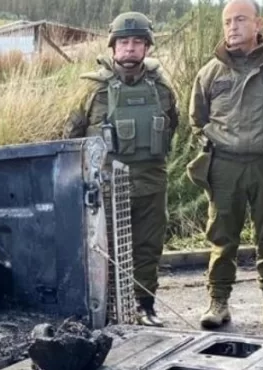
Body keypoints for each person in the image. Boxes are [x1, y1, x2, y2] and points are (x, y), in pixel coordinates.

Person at [63, 11, 181, 327]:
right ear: (113, 46)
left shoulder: (162, 89)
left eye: (137, 42)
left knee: (148, 248)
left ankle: (145, 306)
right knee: (104, 251)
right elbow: (70, 140)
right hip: (105, 187)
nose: (130, 48)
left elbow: (172, 128)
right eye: (124, 42)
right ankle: (107, 311)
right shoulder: (91, 90)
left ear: (147, 48)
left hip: (151, 184)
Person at [188, 0, 263, 332]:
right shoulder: (210, 72)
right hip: (225, 167)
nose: (232, 27)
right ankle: (218, 302)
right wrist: (214, 147)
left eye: (240, 19)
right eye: (227, 22)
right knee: (222, 239)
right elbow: (198, 120)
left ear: (259, 24)